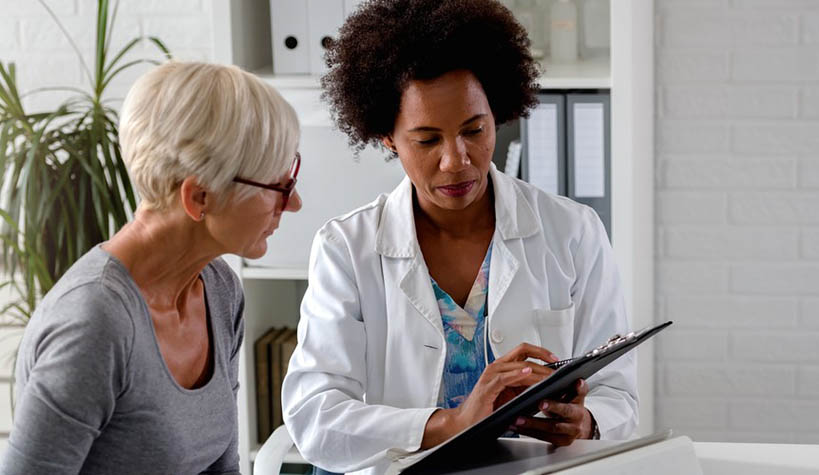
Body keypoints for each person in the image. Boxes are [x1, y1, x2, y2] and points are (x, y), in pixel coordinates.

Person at [281, 1, 637, 473]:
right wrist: (452, 423)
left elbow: (619, 396)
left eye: (474, 130)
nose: (456, 160)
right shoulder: (346, 249)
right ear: (387, 136)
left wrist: (587, 422)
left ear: (498, 114)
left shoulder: (574, 232)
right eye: (427, 140)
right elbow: (315, 418)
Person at [0, 61, 303, 474]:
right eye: (279, 187)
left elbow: (220, 467)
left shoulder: (220, 290)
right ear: (199, 198)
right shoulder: (94, 324)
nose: (294, 203)